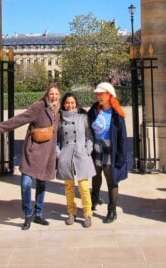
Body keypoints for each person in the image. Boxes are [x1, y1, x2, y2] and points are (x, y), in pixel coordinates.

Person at [0, 83, 61, 230]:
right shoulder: (38, 108)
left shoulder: (58, 112)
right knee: (26, 184)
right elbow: (19, 119)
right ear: (47, 94)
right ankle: (28, 214)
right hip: (32, 152)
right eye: (51, 94)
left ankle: (38, 214)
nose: (54, 97)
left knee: (41, 184)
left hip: (47, 154)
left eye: (56, 94)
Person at [88, 81, 128, 223]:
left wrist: (121, 157)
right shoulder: (94, 109)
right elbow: (87, 125)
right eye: (97, 94)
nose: (98, 96)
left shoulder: (116, 114)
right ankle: (94, 198)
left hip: (110, 149)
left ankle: (112, 210)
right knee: (96, 175)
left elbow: (122, 137)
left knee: (111, 180)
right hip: (96, 148)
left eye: (101, 94)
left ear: (109, 95)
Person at [56, 92, 96, 228]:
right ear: (64, 104)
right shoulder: (59, 119)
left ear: (76, 103)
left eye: (72, 102)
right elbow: (56, 139)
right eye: (67, 102)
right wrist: (58, 153)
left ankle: (87, 213)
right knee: (68, 186)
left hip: (81, 154)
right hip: (66, 155)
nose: (70, 105)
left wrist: (87, 150)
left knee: (84, 186)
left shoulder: (83, 117)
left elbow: (89, 136)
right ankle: (71, 212)